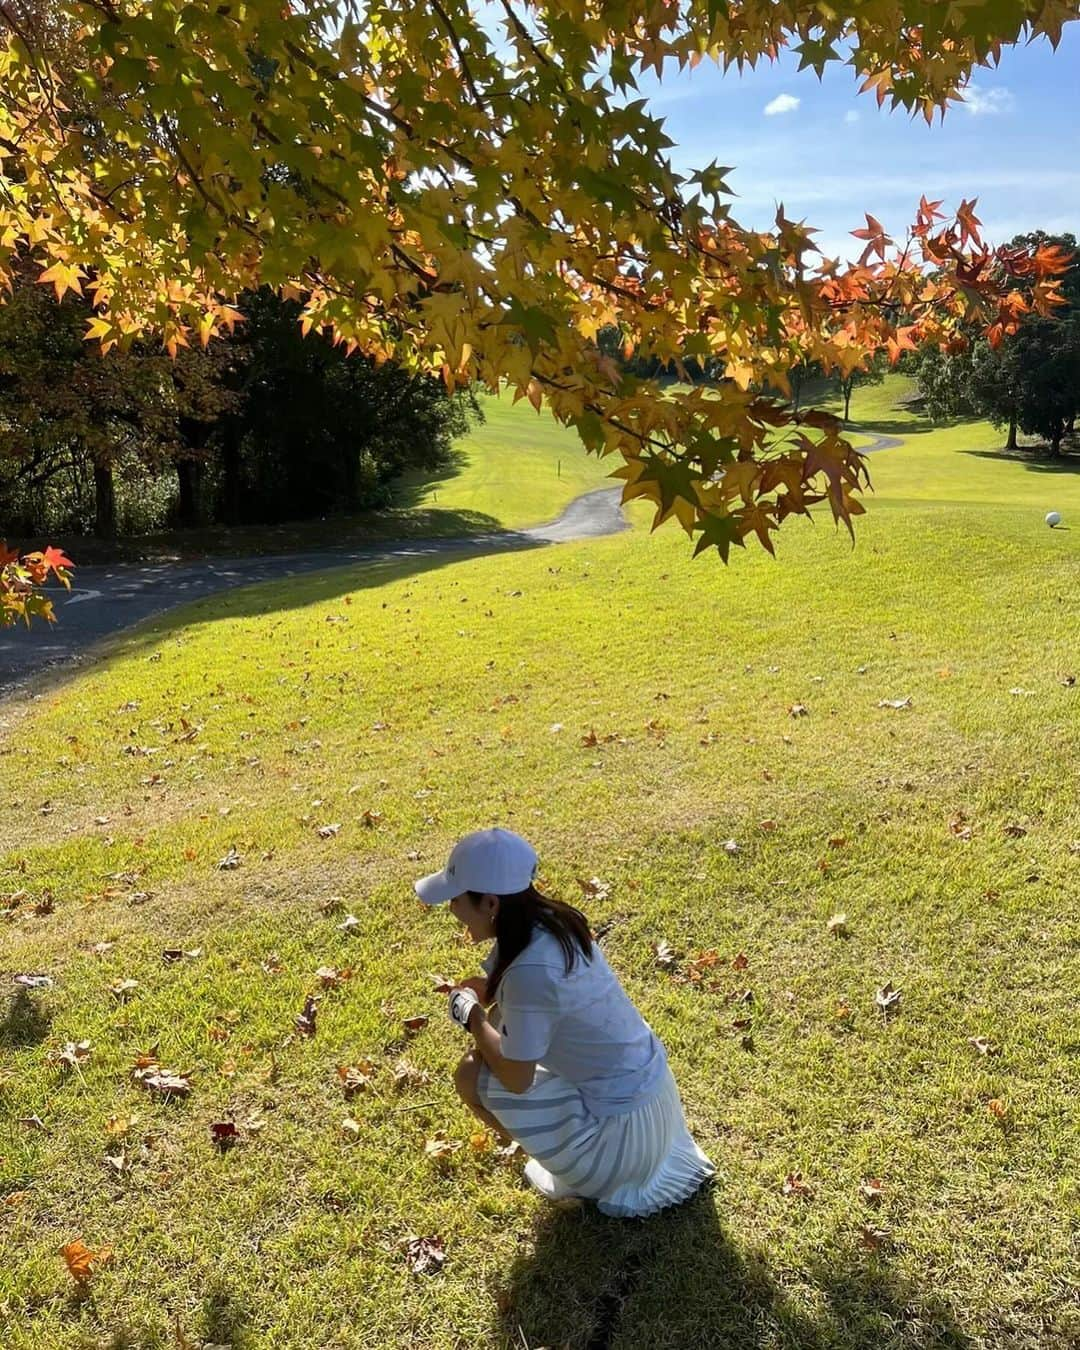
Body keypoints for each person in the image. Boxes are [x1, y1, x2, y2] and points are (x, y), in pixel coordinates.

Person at [414, 827, 715, 1218]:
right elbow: (558, 1001)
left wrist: (470, 1015)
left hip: (623, 1144)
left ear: (490, 902)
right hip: (657, 1109)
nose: (452, 910)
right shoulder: (555, 922)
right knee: (499, 1040)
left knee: (471, 1073)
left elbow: (517, 1078)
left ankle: (582, 1165)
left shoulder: (529, 971)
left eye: (456, 899)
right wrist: (492, 989)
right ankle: (569, 1148)